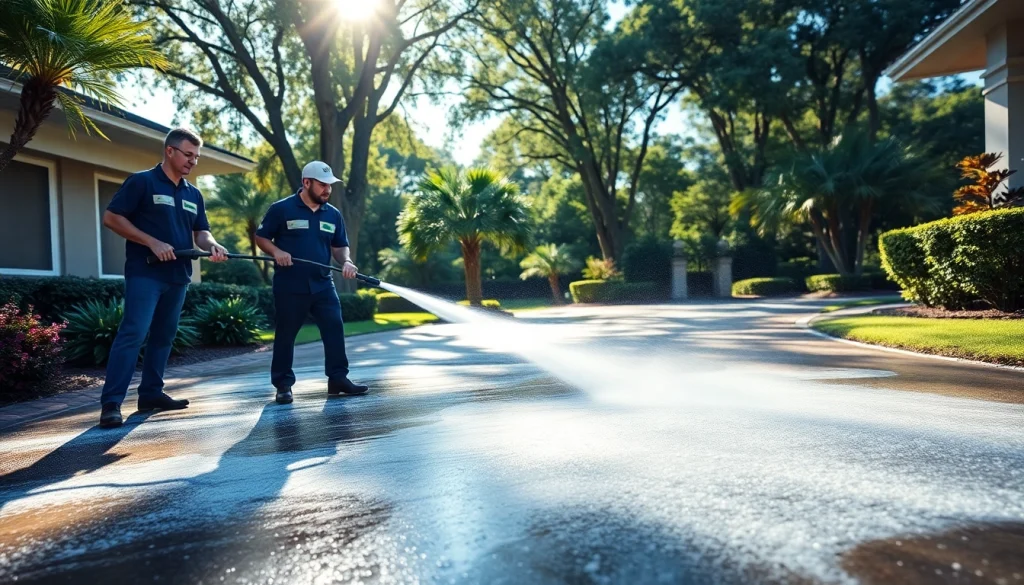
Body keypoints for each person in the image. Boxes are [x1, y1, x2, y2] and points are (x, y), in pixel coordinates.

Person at [98, 128, 229, 428]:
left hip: (178, 276)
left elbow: (201, 232)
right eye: (188, 154)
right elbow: (112, 218)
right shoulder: (142, 182)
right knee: (133, 333)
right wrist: (152, 242)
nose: (193, 161)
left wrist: (212, 245)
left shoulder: (193, 194)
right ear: (170, 151)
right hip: (146, 273)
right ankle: (111, 403)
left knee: (164, 336)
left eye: (196, 157)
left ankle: (151, 393)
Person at [254, 161, 369, 404]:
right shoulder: (282, 209)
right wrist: (276, 251)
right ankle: (283, 385)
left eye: (330, 185)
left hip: (323, 284)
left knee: (334, 328)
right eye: (322, 185)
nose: (327, 190)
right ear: (306, 183)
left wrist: (347, 262)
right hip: (290, 285)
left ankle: (338, 379)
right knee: (286, 335)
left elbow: (339, 246)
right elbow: (261, 237)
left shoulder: (333, 214)